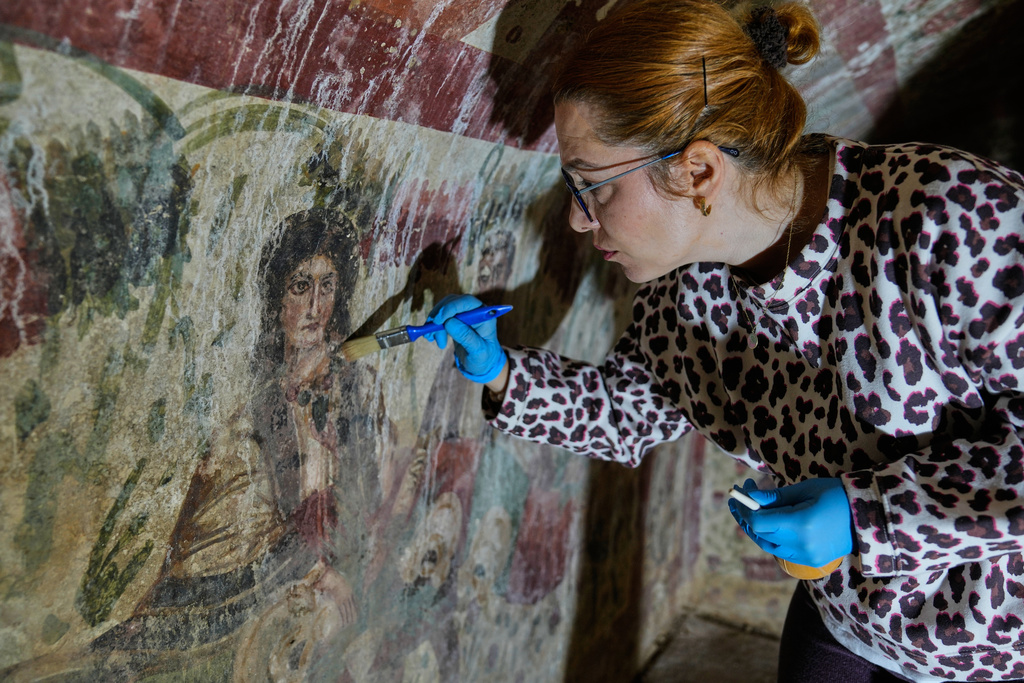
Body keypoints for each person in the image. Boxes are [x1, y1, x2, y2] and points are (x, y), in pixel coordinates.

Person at [424, 1, 1024, 681]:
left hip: (992, 647)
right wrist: (502, 370)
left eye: (591, 185)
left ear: (699, 171)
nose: (575, 216)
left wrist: (873, 516)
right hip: (844, 621)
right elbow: (633, 409)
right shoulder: (684, 292)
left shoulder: (952, 216)